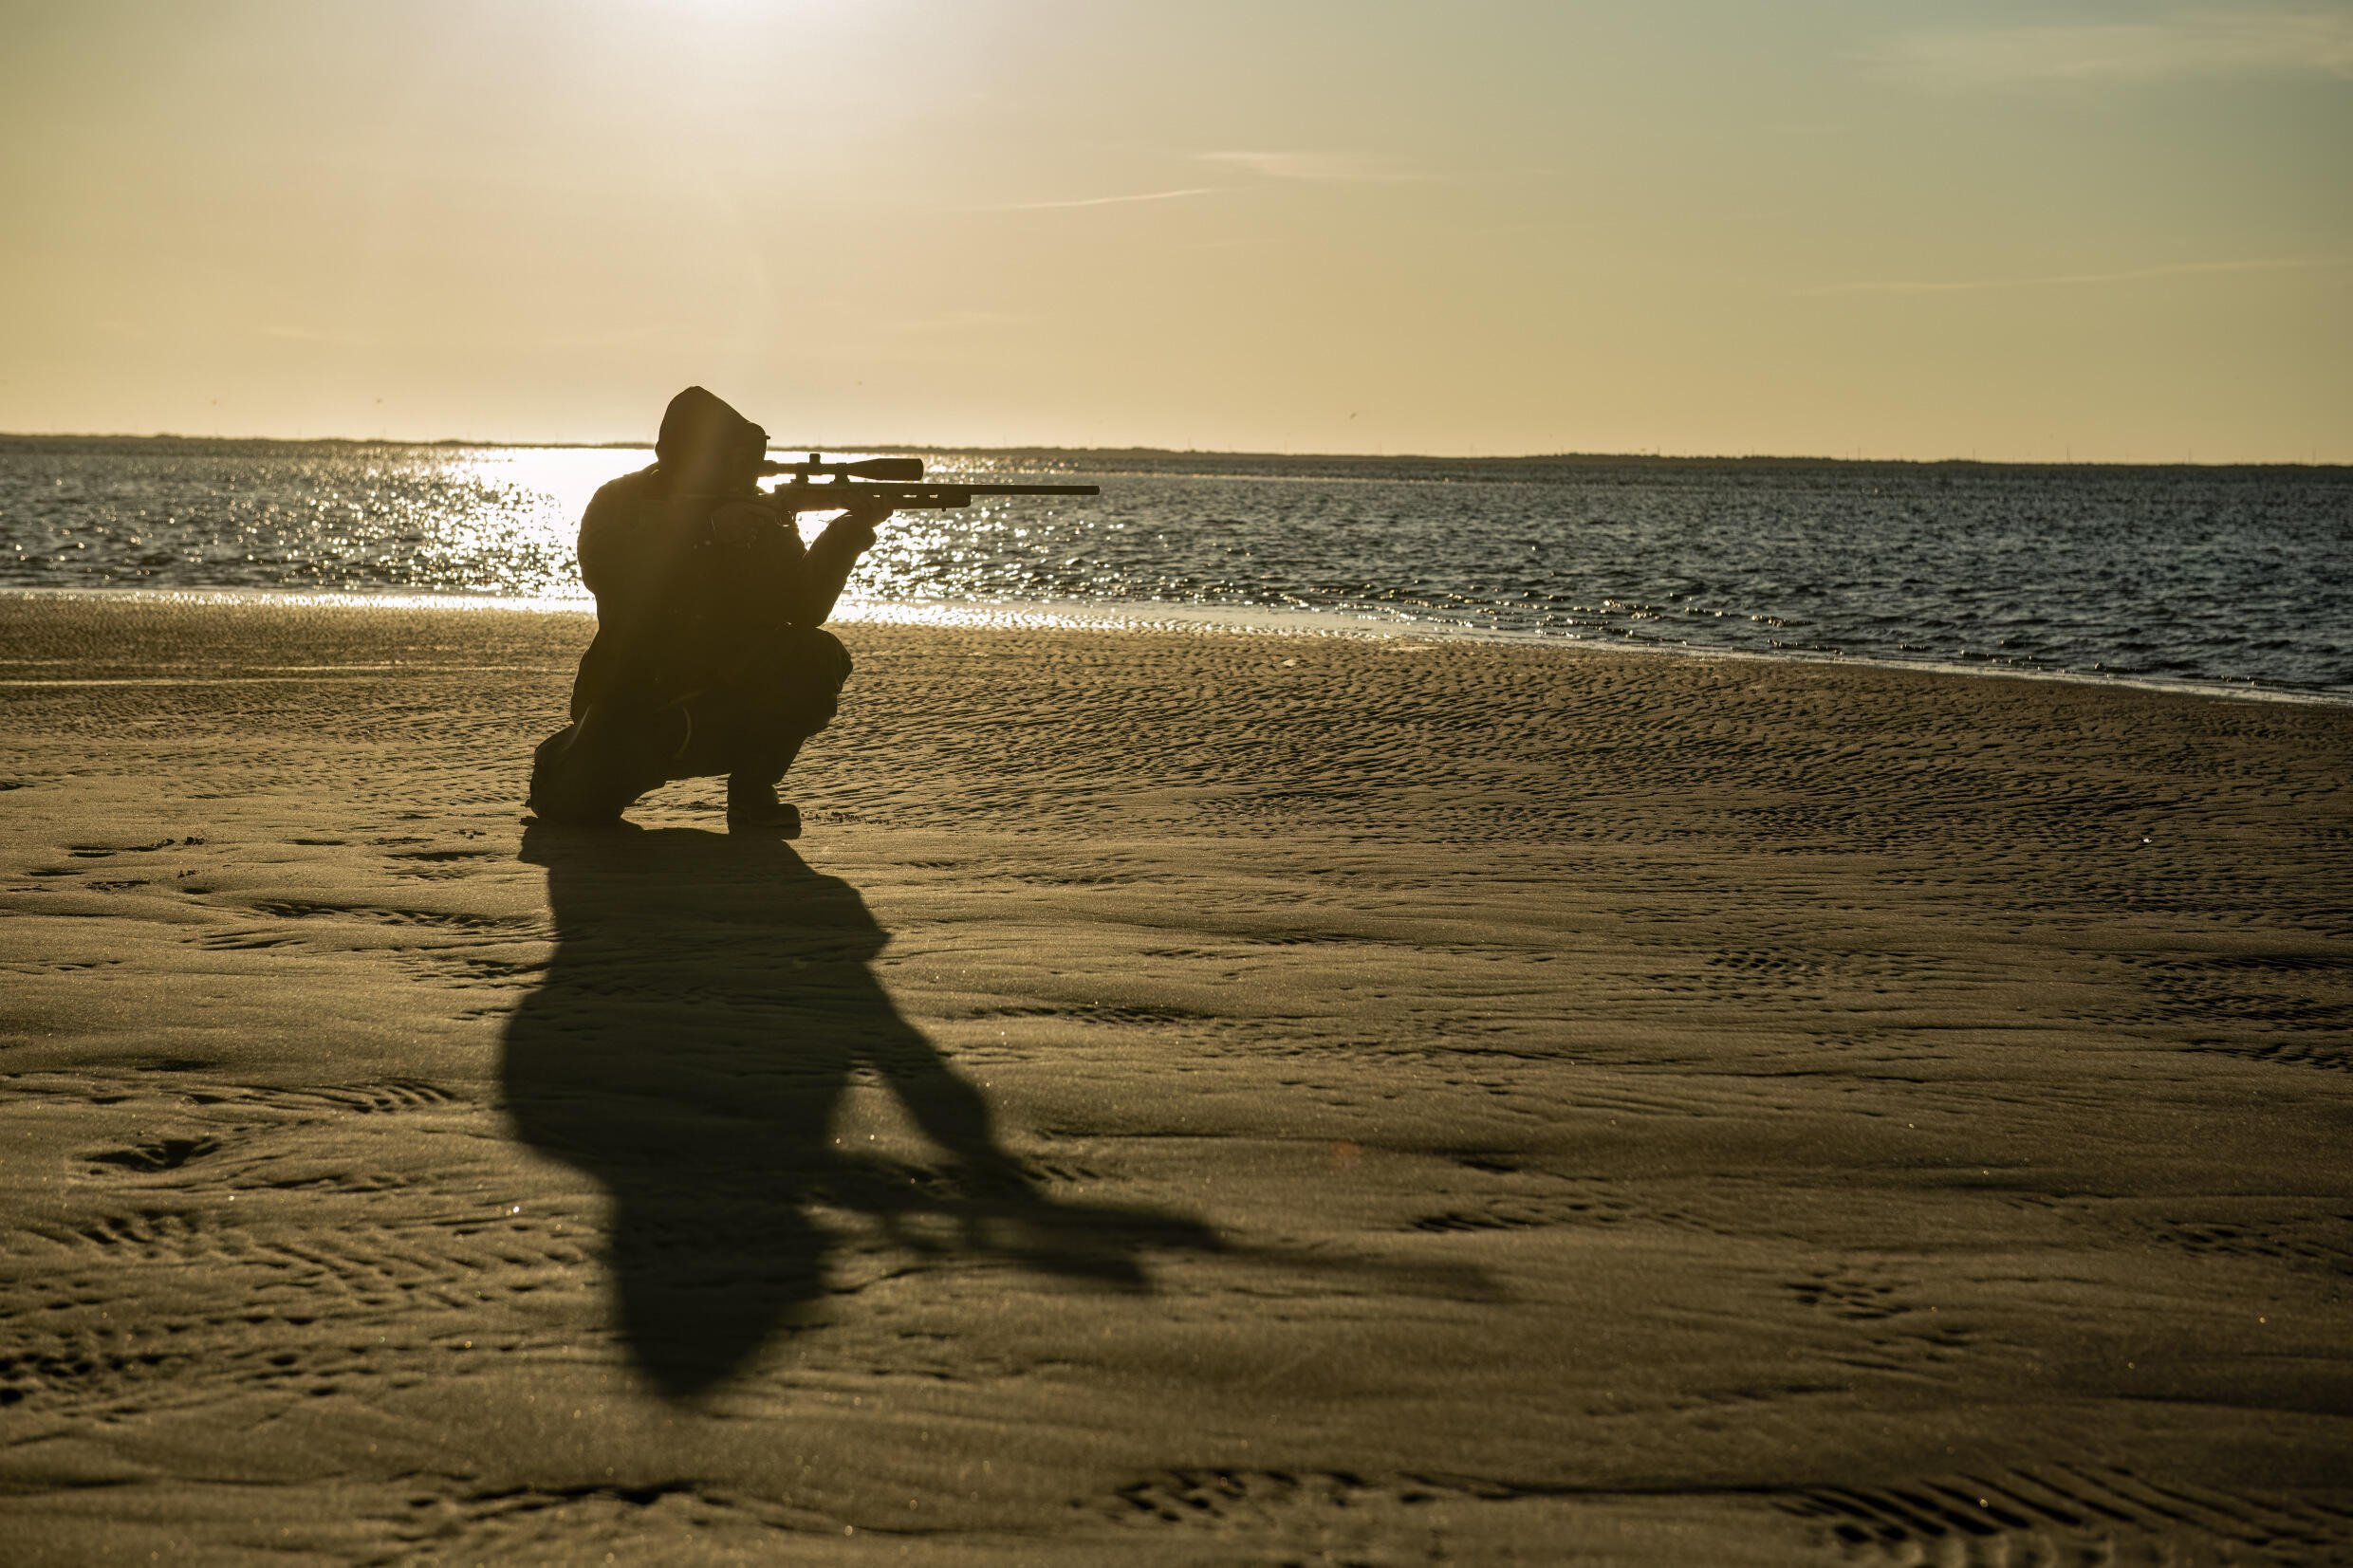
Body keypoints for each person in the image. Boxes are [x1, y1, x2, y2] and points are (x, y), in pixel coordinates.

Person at [526, 386, 887, 833]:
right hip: (641, 697)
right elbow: (610, 575)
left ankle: (753, 795)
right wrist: (707, 535)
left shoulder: (759, 509)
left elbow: (805, 607)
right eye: (726, 458)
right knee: (572, 805)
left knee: (817, 656)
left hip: (728, 694)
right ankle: (567, 761)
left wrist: (846, 533)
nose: (738, 473)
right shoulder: (620, 501)